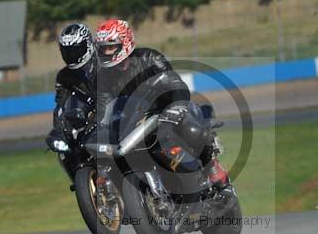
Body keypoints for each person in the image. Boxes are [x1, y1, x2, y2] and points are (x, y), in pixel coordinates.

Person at [94, 19, 229, 188]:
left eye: (110, 47)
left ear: (125, 42)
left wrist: (176, 105)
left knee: (192, 130)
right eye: (103, 48)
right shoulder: (103, 77)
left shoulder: (150, 58)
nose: (106, 52)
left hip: (165, 112)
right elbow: (103, 110)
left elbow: (175, 84)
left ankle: (210, 165)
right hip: (132, 124)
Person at [46, 22, 98, 145]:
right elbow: (60, 107)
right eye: (67, 52)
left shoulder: (104, 64)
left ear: (88, 45)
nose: (72, 56)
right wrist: (60, 132)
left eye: (76, 50)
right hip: (87, 124)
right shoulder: (64, 76)